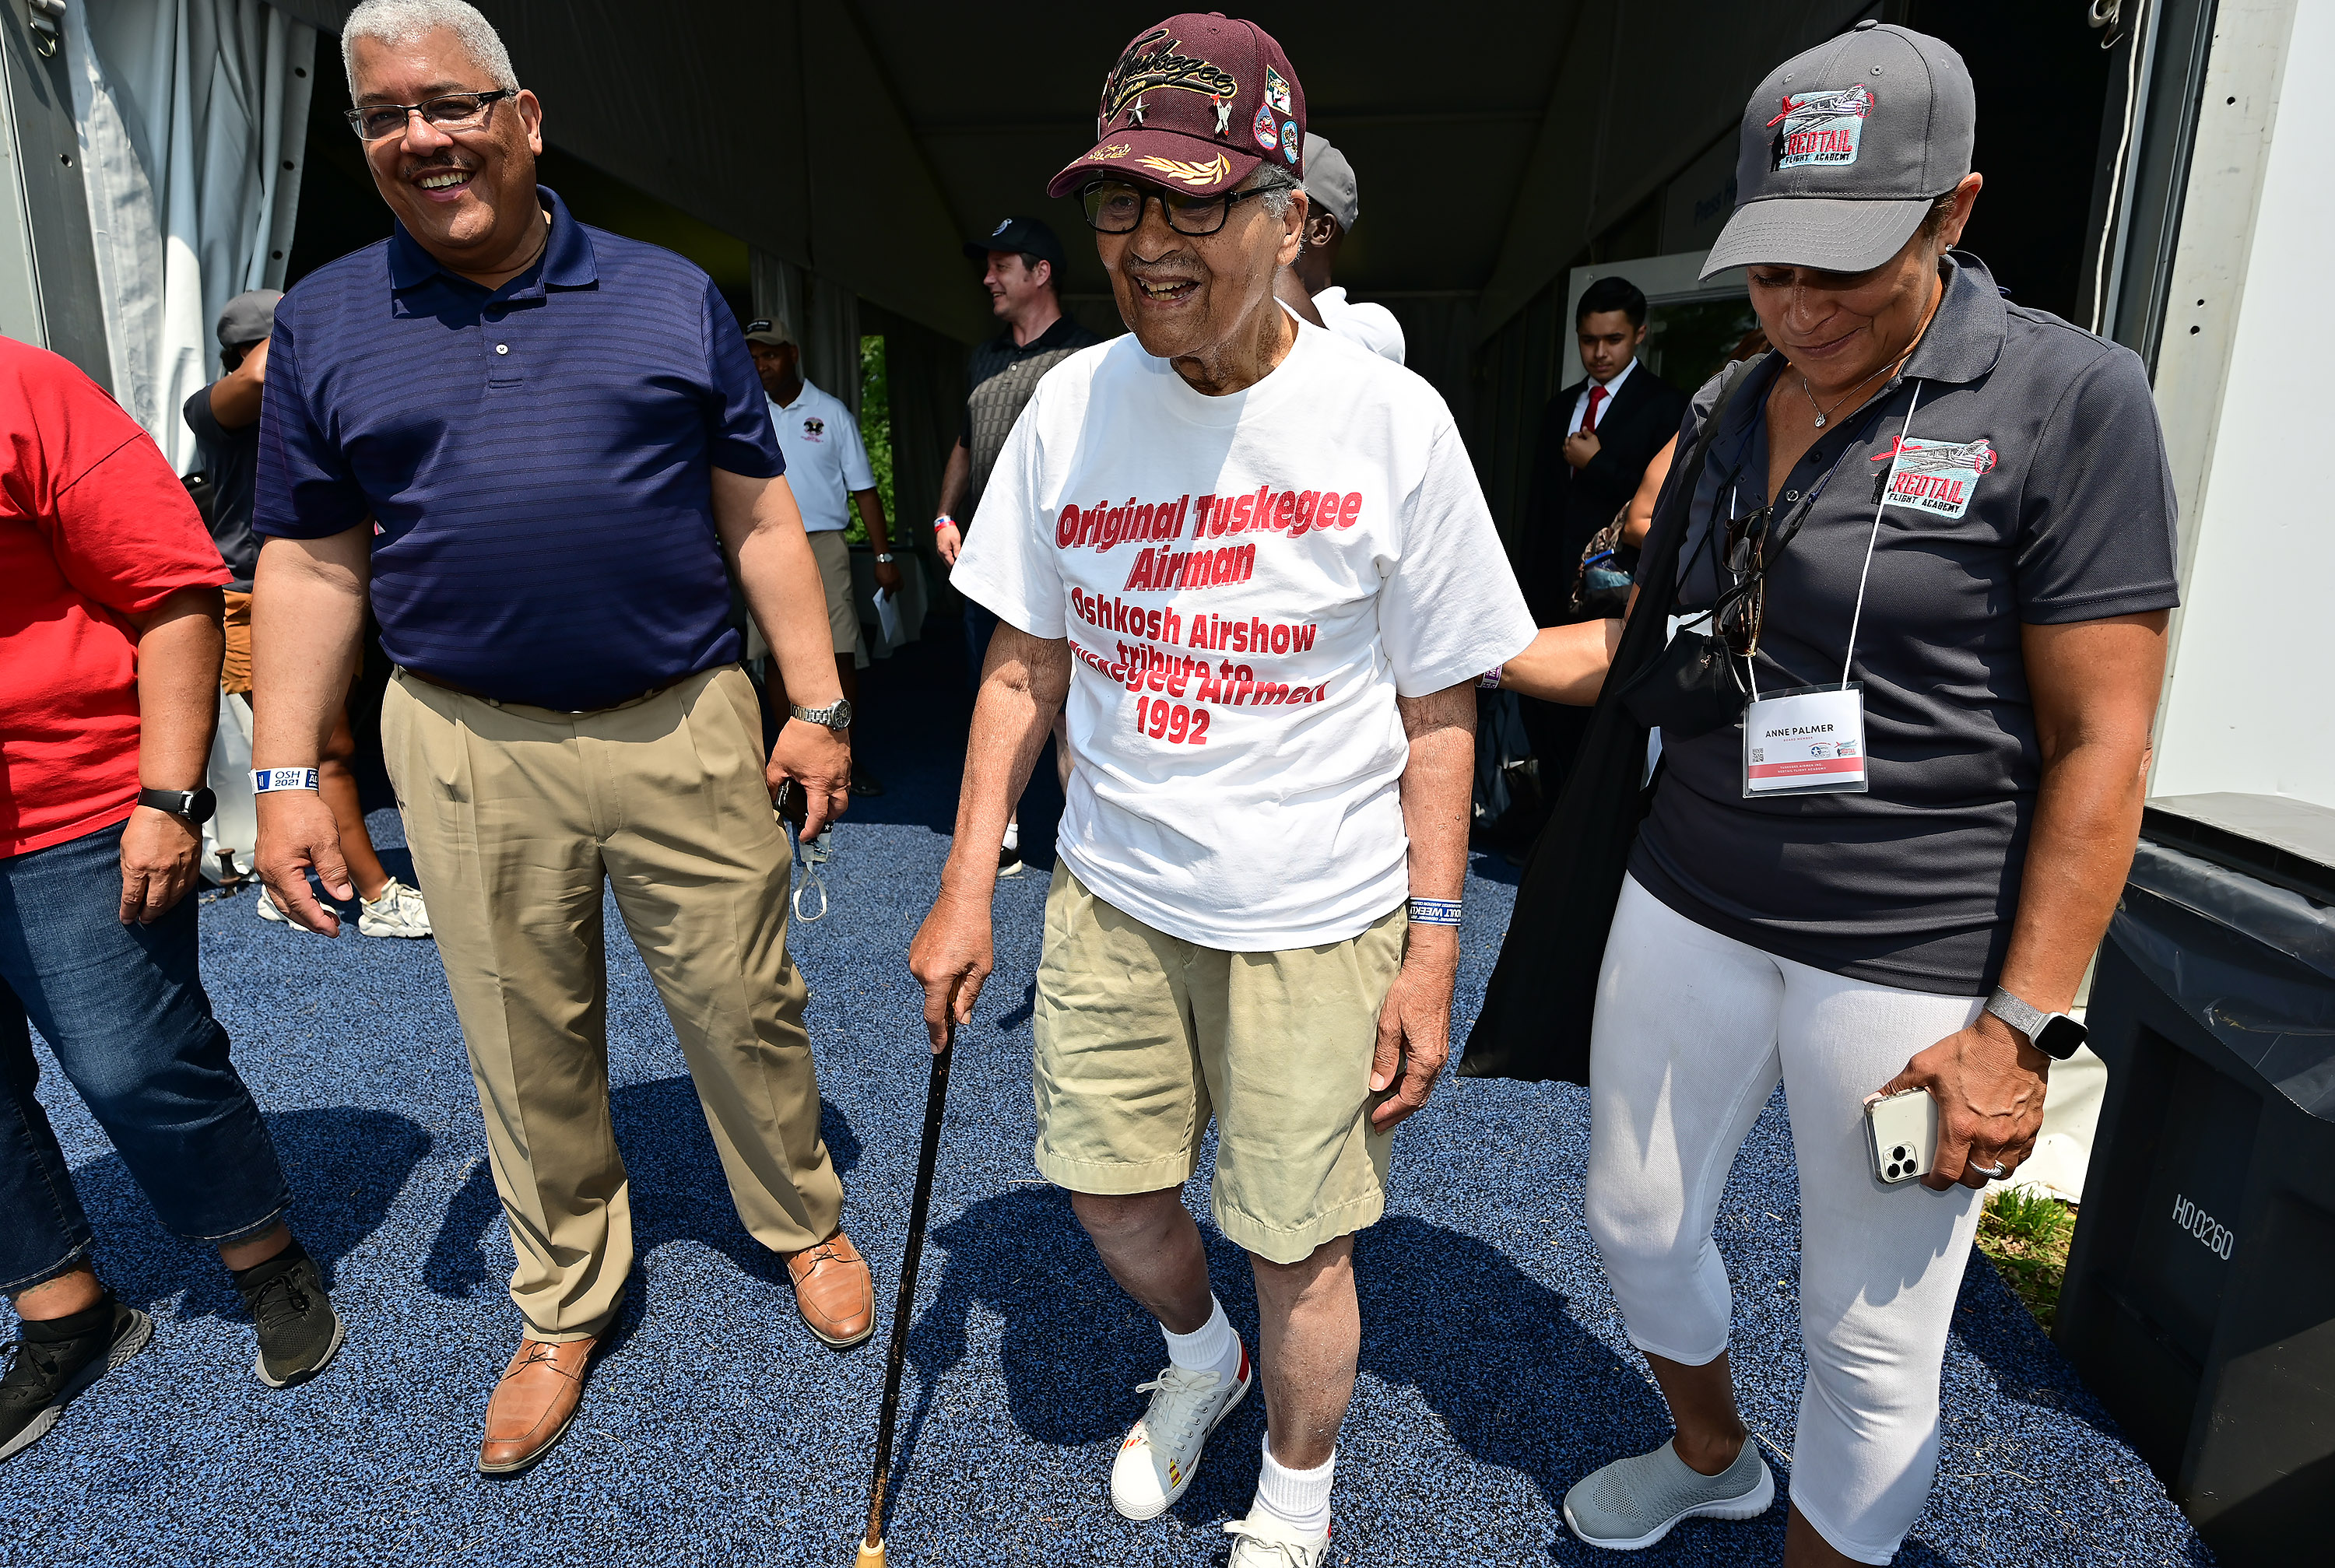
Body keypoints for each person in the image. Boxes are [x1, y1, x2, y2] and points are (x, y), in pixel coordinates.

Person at [1491, 22, 2175, 1563]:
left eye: (1844, 266)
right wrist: (1442, 636)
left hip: (1910, 969)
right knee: (1637, 1217)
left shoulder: (2074, 400)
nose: (1800, 307)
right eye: (1772, 266)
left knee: (1868, 1330)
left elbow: (2103, 750)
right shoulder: (1732, 400)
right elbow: (1665, 647)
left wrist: (2016, 1032)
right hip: (1693, 902)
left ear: (1957, 209)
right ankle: (1714, 1450)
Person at [909, 16, 1534, 1565]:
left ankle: (1296, 1497)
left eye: (1191, 201)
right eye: (1118, 204)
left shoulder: (1394, 425)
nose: (1142, 243)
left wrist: (1435, 942)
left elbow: (1441, 714)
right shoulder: (1065, 409)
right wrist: (967, 880)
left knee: (1295, 1238)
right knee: (1111, 1193)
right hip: (1116, 895)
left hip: (1319, 920)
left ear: (1291, 214)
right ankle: (1200, 1356)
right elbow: (1019, 669)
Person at [251, 0, 872, 1476]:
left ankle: (805, 1223)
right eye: (386, 115)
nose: (422, 137)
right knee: (523, 1042)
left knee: (743, 1003)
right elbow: (312, 561)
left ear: (525, 117)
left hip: (684, 722)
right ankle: (564, 1299)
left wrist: (821, 700)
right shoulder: (328, 323)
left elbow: (759, 512)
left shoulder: (671, 296)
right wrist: (282, 774)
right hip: (467, 740)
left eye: (451, 104)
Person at [2, 336, 345, 1465]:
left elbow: (174, 584)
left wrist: (169, 793)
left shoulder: (22, 386)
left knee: (136, 1061)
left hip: (73, 799)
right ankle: (64, 1312)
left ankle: (264, 1254)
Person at [182, 289, 430, 938]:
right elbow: (261, 373)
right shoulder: (214, 408)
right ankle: (376, 896)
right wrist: (321, 315)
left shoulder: (314, 407)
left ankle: (287, 877)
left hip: (324, 590)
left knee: (336, 744)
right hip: (251, 597)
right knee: (329, 750)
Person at [932, 215, 1101, 875]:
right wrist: (946, 514)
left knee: (1067, 705)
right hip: (988, 558)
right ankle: (995, 833)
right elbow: (965, 443)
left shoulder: (1090, 356)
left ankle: (1084, 842)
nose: (987, 278)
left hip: (1064, 560)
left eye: (1002, 265)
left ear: (1042, 272)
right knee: (993, 689)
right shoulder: (983, 357)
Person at [1512, 276, 1688, 798]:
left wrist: (1598, 464)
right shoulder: (1558, 406)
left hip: (1614, 594)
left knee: (1601, 731)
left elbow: (1659, 505)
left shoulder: (1670, 406)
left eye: (1613, 339)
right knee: (1544, 725)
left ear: (1640, 335)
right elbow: (1540, 509)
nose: (1599, 352)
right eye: (1588, 340)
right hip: (1547, 590)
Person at [744, 314, 899, 799]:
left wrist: (883, 554)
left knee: (840, 652)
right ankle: (785, 764)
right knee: (770, 654)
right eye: (752, 357)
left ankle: (843, 758)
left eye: (769, 354)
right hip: (764, 543)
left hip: (825, 545)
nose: (761, 365)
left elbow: (866, 492)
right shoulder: (745, 413)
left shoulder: (831, 413)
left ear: (792, 354)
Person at [1271, 132, 1404, 363]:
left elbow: (1318, 356)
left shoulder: (1375, 328)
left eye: (1273, 203)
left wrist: (1261, 250)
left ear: (1321, 231)